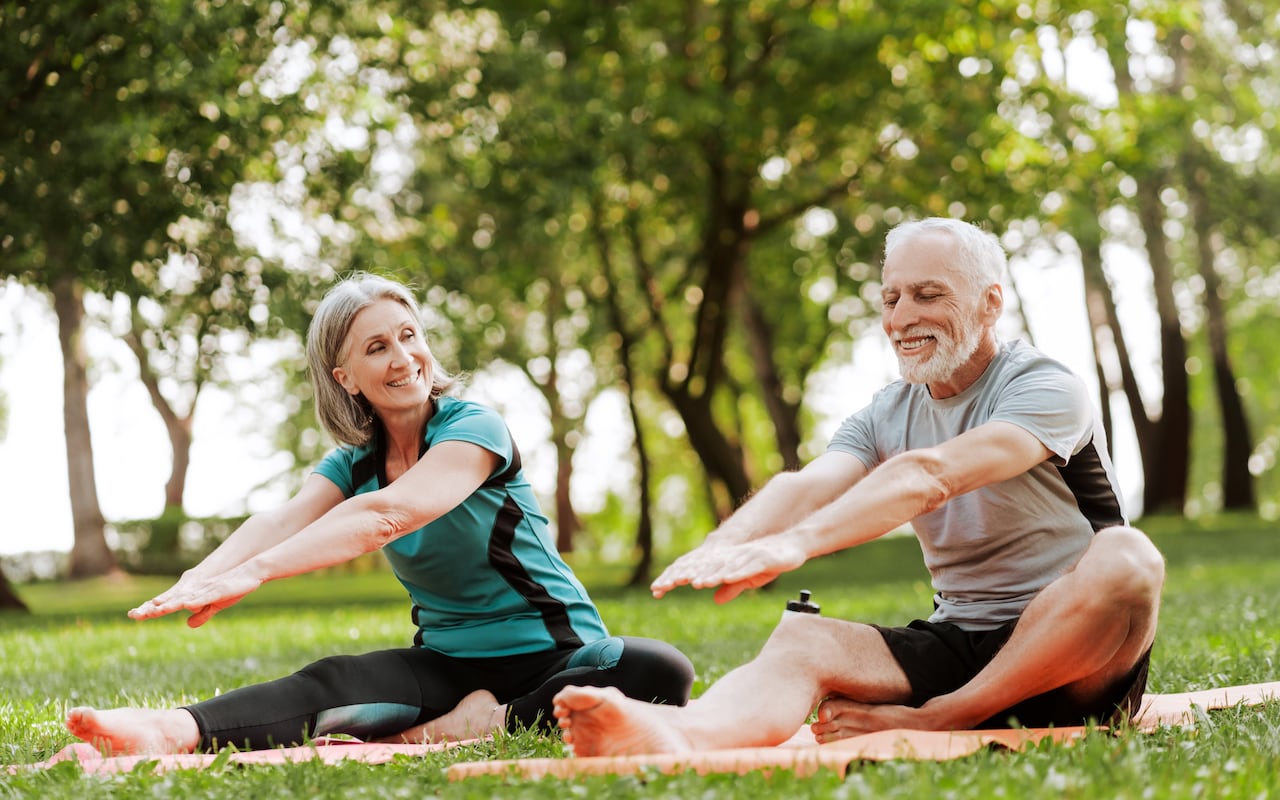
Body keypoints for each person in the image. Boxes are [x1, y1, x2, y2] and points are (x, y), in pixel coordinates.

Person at [553, 217, 1165, 756]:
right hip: (961, 641)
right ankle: (680, 734)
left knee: (1128, 556)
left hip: (1081, 660)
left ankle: (943, 718)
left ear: (990, 303)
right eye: (891, 297)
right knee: (803, 638)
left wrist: (797, 545)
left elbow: (932, 475)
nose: (901, 319)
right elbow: (808, 483)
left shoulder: (1043, 388)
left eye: (929, 295)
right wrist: (729, 542)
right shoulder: (885, 413)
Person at [66, 272, 693, 755]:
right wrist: (205, 577)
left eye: (408, 335)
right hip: (448, 660)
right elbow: (283, 521)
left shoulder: (474, 428)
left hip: (557, 655)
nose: (403, 357)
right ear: (346, 377)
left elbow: (389, 516)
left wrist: (257, 574)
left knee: (659, 668)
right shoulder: (352, 462)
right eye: (377, 347)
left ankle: (491, 721)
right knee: (335, 679)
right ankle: (175, 730)